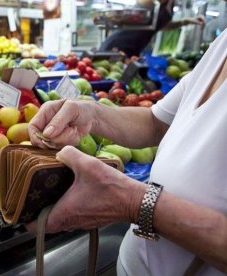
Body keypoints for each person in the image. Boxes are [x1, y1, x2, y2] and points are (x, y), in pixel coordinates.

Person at [28, 28, 227, 275]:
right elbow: (158, 122)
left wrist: (133, 202)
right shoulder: (222, 43)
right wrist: (91, 114)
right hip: (132, 261)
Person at [98, 0, 205, 57]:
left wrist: (187, 21)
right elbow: (137, 9)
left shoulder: (170, 3)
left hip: (135, 48)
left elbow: (161, 26)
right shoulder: (155, 2)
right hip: (119, 45)